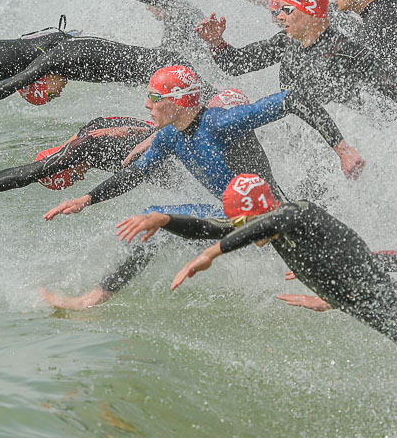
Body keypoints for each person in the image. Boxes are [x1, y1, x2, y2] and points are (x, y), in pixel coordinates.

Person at [40, 69, 364, 309]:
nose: (146, 105)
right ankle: (96, 297)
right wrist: (86, 198)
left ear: (179, 102)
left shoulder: (222, 123)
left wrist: (342, 148)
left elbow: (294, 100)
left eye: (154, 98)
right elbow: (137, 172)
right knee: (152, 222)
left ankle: (343, 288)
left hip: (265, 216)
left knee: (157, 220)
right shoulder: (169, 136)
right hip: (230, 216)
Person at [166, 174, 397, 389]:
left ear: (260, 214)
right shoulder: (282, 232)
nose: (239, 232)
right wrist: (164, 220)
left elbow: (268, 223)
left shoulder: (300, 212)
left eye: (242, 224)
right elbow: (213, 227)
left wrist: (211, 254)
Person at [196, 0, 397, 160]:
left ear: (310, 12)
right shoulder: (284, 42)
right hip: (305, 136)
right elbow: (237, 64)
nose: (279, 18)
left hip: (342, 145)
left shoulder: (349, 52)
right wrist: (216, 42)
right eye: (278, 11)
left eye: (286, 10)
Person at [0, 36, 209, 133]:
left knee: (207, 112)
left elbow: (15, 80)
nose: (57, 95)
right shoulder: (66, 59)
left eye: (49, 96)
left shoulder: (56, 59)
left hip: (169, 71)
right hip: (167, 67)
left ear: (42, 81)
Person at [0, 115, 159, 210]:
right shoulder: (83, 136)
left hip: (163, 155)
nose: (82, 176)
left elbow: (30, 173)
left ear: (64, 167)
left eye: (75, 176)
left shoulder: (84, 148)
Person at [94, 0, 206, 59]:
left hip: (207, 66)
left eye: (148, 3)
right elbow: (167, 50)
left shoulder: (183, 10)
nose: (148, 8)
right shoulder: (175, 16)